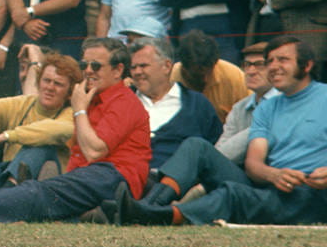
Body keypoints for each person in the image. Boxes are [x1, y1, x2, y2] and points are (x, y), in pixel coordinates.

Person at [0, 37, 150, 222]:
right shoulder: (86, 101)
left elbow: (94, 151)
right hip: (80, 178)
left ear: (118, 70)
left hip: (113, 177)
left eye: (96, 66)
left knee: (39, 177)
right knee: (40, 189)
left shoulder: (117, 102)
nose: (88, 71)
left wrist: (5, 136)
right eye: (85, 64)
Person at [107, 35, 327, 226]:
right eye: (269, 61)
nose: (273, 66)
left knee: (233, 194)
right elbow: (253, 164)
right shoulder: (267, 107)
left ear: (306, 65)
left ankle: (158, 216)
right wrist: (274, 174)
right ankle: (148, 205)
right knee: (196, 146)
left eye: (283, 60)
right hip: (272, 187)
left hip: (312, 193)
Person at [0, 52, 80, 195]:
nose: (50, 87)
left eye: (58, 84)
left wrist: (3, 137)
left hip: (35, 186)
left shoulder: (72, 114)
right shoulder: (21, 104)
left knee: (39, 145)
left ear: (69, 92)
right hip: (2, 176)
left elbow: (53, 131)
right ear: (38, 82)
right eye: (46, 80)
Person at [128, 38, 221, 169]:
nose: (137, 72)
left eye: (143, 66)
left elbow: (214, 150)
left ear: (166, 66)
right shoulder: (121, 101)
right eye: (133, 67)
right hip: (127, 179)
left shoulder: (197, 105)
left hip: (179, 182)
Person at [170, 30, 249, 124]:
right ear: (184, 68)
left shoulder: (234, 77)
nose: (205, 79)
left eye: (209, 73)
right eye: (197, 76)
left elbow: (252, 114)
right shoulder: (168, 80)